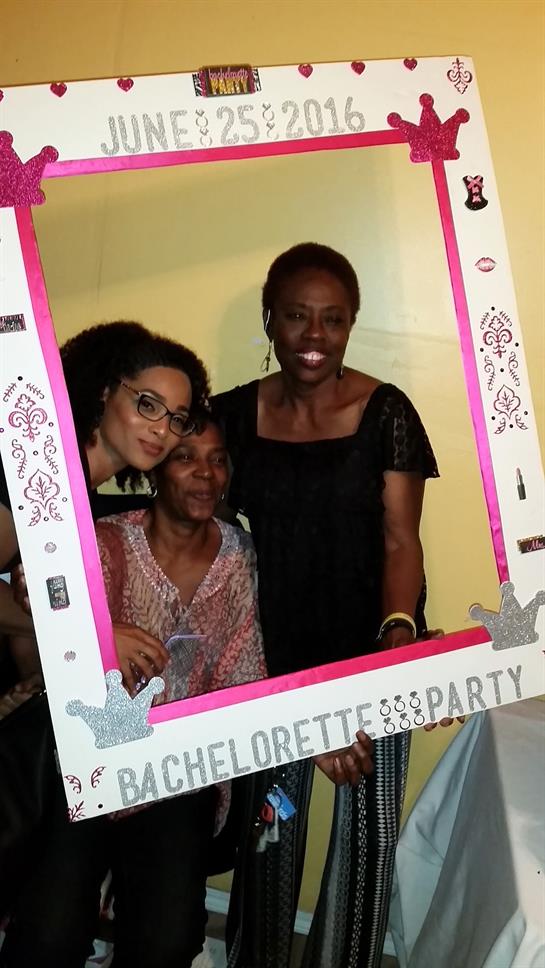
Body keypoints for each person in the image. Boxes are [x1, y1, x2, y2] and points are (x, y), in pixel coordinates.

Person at [212, 243, 439, 968]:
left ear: (350, 326)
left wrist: (395, 640)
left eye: (332, 320)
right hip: (273, 656)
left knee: (368, 844)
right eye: (297, 317)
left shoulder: (385, 413)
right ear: (270, 320)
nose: (314, 337)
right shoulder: (231, 416)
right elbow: (201, 533)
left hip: (371, 648)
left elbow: (401, 543)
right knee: (269, 841)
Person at [1, 412, 267, 968]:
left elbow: (244, 673)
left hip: (178, 773)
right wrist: (98, 635)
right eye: (186, 457)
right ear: (155, 472)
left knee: (167, 940)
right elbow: (35, 591)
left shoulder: (239, 555)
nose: (205, 474)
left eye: (217, 459)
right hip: (86, 765)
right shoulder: (104, 542)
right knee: (49, 934)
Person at [0, 320, 208, 920]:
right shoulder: (32, 468)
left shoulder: (85, 497)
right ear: (100, 391)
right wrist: (90, 638)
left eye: (178, 417)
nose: (162, 429)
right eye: (148, 404)